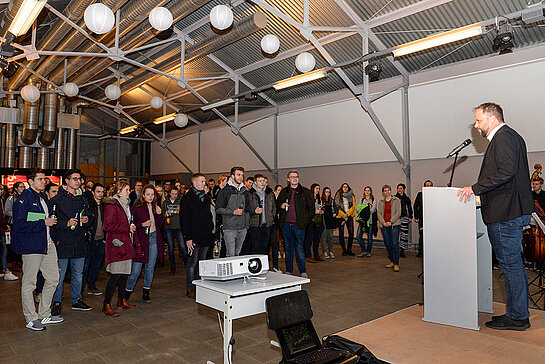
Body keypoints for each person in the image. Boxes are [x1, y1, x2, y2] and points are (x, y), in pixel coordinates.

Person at [458, 102, 534, 331]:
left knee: (511, 266)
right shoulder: (511, 137)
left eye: (479, 120)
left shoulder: (503, 138)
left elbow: (507, 170)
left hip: (505, 213)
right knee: (512, 265)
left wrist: (476, 188)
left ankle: (519, 317)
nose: (477, 126)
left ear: (491, 119)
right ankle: (516, 313)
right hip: (509, 211)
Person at [12, 169, 63, 331]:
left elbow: (41, 219)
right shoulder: (24, 199)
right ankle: (31, 318)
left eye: (44, 179)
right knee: (29, 283)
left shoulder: (41, 198)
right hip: (32, 246)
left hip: (47, 244)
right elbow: (19, 225)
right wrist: (44, 223)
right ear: (30, 181)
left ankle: (44, 313)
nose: (43, 182)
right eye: (40, 179)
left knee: (54, 278)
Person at [50, 169, 93, 315]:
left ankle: (76, 300)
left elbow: (89, 217)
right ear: (66, 181)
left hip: (79, 241)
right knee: (60, 275)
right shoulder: (57, 199)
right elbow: (52, 222)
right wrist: (65, 223)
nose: (78, 181)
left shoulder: (83, 199)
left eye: (79, 179)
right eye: (74, 179)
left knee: (78, 273)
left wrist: (87, 220)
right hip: (63, 241)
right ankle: (56, 302)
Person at [102, 181, 137, 317]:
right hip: (117, 245)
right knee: (116, 275)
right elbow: (108, 226)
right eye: (127, 190)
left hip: (126, 243)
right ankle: (106, 305)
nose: (129, 192)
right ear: (118, 192)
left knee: (124, 274)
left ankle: (121, 300)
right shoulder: (112, 205)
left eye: (129, 189)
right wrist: (127, 228)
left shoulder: (126, 205)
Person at [127, 185, 164, 303]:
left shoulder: (155, 207)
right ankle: (126, 292)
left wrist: (159, 214)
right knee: (136, 270)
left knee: (150, 268)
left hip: (153, 238)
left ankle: (146, 292)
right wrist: (141, 225)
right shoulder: (136, 207)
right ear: (143, 195)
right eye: (148, 194)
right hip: (141, 241)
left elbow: (160, 225)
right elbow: (131, 224)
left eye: (152, 194)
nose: (150, 197)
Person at [181, 173, 215, 298]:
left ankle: (199, 285)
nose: (204, 184)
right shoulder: (187, 198)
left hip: (205, 235)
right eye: (201, 181)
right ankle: (190, 287)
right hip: (193, 236)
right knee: (192, 262)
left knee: (202, 263)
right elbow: (184, 220)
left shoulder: (205, 198)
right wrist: (188, 238)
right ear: (194, 183)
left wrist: (211, 228)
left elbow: (208, 215)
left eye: (204, 181)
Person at [276, 170, 314, 278]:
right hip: (286, 225)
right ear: (288, 179)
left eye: (296, 176)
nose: (295, 179)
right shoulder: (284, 192)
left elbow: (311, 209)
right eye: (292, 177)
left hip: (299, 226)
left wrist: (304, 222)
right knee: (288, 248)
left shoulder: (305, 192)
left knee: (299, 248)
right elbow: (277, 204)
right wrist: (281, 205)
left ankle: (302, 271)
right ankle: (289, 271)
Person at [216, 167, 250, 257]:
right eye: (238, 175)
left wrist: (246, 227)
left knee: (237, 254)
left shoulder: (245, 191)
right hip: (229, 228)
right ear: (232, 176)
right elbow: (218, 209)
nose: (241, 177)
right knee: (231, 254)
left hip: (242, 229)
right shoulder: (224, 191)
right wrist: (232, 212)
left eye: (242, 175)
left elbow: (247, 210)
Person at [83, 183, 106, 296]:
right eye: (98, 191)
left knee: (96, 266)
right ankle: (80, 291)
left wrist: (105, 238)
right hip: (89, 240)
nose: (100, 194)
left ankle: (91, 287)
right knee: (86, 266)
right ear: (93, 192)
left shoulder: (105, 205)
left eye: (102, 192)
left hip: (101, 240)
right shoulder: (88, 205)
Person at [248, 174, 276, 255]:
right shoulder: (250, 193)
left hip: (266, 224)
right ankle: (255, 266)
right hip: (255, 224)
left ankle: (264, 266)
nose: (262, 183)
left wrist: (272, 217)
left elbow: (274, 206)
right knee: (255, 247)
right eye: (260, 181)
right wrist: (254, 210)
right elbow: (246, 208)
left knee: (265, 247)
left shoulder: (269, 193)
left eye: (263, 180)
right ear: (255, 182)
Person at [162, 186, 187, 275]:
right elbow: (162, 215)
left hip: (179, 226)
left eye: (176, 194)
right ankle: (172, 265)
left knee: (182, 247)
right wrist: (165, 214)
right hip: (168, 227)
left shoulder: (181, 201)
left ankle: (186, 264)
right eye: (172, 194)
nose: (174, 196)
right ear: (169, 194)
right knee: (171, 248)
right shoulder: (165, 202)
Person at [377, 185, 401, 272]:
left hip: (394, 224)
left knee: (394, 243)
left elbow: (399, 212)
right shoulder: (381, 202)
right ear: (383, 192)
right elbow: (379, 213)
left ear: (391, 191)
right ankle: (392, 260)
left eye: (388, 190)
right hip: (384, 225)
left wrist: (391, 221)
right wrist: (383, 222)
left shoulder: (396, 200)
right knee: (388, 243)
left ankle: (396, 263)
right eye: (385, 191)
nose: (387, 192)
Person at [334, 183, 356, 256]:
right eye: (344, 187)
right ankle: (344, 250)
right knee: (341, 234)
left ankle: (349, 250)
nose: (345, 188)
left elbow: (353, 207)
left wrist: (347, 214)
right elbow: (336, 207)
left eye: (346, 187)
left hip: (349, 216)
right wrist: (343, 214)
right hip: (341, 217)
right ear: (341, 188)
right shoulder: (338, 196)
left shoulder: (351, 195)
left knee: (351, 233)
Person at [304, 184, 325, 262]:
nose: (318, 190)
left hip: (318, 221)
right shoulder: (309, 198)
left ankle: (316, 255)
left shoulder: (319, 199)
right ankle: (308, 256)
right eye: (316, 188)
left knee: (316, 239)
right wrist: (315, 211)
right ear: (312, 189)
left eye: (319, 189)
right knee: (309, 240)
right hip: (311, 221)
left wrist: (322, 211)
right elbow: (305, 210)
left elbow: (321, 207)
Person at [413, 180, 433, 258]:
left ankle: (430, 252)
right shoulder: (420, 195)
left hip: (431, 219)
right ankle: (421, 252)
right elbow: (415, 206)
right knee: (422, 236)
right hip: (422, 219)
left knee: (431, 236)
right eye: (427, 185)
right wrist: (416, 217)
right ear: (424, 186)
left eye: (430, 185)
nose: (428, 187)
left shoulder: (435, 195)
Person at [356, 186, 378, 258]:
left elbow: (372, 211)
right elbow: (358, 210)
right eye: (365, 190)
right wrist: (368, 207)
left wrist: (364, 208)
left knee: (369, 238)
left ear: (371, 192)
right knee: (358, 236)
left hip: (371, 222)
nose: (367, 192)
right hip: (363, 222)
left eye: (368, 190)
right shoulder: (361, 200)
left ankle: (368, 252)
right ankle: (363, 250)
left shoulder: (374, 200)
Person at [0, 187, 17, 281]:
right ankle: (6, 270)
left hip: (4, 226)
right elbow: (3, 213)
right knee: (3, 249)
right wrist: (5, 226)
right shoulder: (11, 198)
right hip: (5, 226)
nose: (1, 191)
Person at [395, 183, 413, 258]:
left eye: (401, 188)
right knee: (395, 235)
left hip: (405, 218)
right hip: (396, 218)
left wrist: (410, 216)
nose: (399, 190)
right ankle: (394, 251)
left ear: (404, 189)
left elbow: (409, 208)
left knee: (404, 236)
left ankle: (402, 251)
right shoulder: (395, 198)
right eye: (398, 188)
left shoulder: (407, 198)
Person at [320, 187, 337, 259]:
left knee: (330, 236)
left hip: (330, 219)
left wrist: (335, 213)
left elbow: (336, 208)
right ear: (324, 192)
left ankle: (330, 251)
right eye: (326, 192)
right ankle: (324, 251)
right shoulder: (321, 200)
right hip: (323, 219)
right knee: (323, 236)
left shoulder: (332, 200)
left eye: (329, 192)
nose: (328, 193)